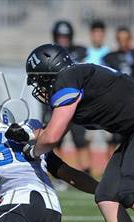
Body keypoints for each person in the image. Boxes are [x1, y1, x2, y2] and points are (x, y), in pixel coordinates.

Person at [12, 43, 134, 222]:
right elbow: (51, 130)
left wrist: (33, 151)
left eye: (39, 80)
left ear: (50, 72)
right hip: (132, 132)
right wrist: (27, 134)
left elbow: (52, 137)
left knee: (128, 192)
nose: (40, 87)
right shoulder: (76, 78)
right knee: (107, 195)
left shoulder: (67, 78)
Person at [49, 20, 91, 176]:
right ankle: (59, 174)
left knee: (80, 139)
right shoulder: (52, 52)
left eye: (65, 36)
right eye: (60, 36)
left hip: (78, 102)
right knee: (56, 138)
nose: (63, 39)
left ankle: (85, 171)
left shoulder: (80, 52)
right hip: (59, 101)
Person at [102, 26, 134, 154]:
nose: (123, 42)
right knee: (114, 138)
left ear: (130, 40)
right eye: (120, 39)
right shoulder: (109, 58)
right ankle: (109, 168)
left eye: (126, 39)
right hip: (116, 104)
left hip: (133, 103)